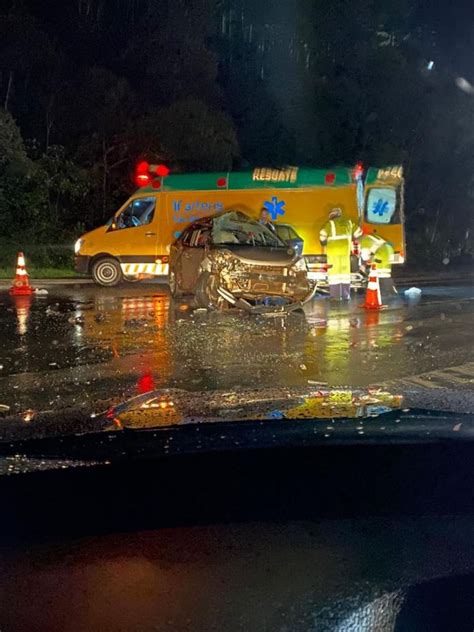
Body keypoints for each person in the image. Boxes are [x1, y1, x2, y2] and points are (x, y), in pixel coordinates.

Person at [320, 208, 362, 300]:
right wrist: (353, 238)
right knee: (345, 274)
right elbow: (359, 232)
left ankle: (335, 296)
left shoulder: (330, 224)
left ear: (331, 215)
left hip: (333, 252)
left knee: (334, 274)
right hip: (345, 252)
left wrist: (323, 242)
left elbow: (322, 234)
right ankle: (346, 295)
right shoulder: (349, 223)